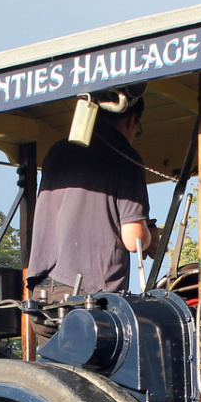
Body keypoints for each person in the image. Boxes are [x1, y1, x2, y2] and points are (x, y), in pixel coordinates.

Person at [27, 88, 154, 300]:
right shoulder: (125, 156)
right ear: (132, 120)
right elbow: (134, 240)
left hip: (41, 293)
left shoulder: (57, 151)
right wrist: (150, 236)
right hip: (88, 296)